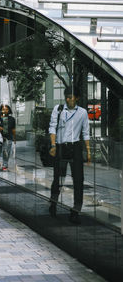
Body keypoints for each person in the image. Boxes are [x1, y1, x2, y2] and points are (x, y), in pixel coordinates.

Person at [48, 86, 91, 224]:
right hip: (61, 147)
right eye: (66, 96)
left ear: (77, 98)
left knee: (78, 180)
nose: (68, 99)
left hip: (76, 147)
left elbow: (85, 132)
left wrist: (88, 151)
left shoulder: (83, 112)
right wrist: (53, 145)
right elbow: (52, 126)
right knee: (58, 178)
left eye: (71, 97)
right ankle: (53, 203)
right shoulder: (58, 109)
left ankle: (75, 211)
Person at [0, 104, 16, 171]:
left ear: (9, 110)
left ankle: (5, 165)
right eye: (3, 109)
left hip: (8, 138)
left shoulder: (12, 119)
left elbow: (13, 129)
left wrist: (14, 138)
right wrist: (0, 127)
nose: (5, 110)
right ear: (1, 110)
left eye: (6, 109)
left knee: (6, 152)